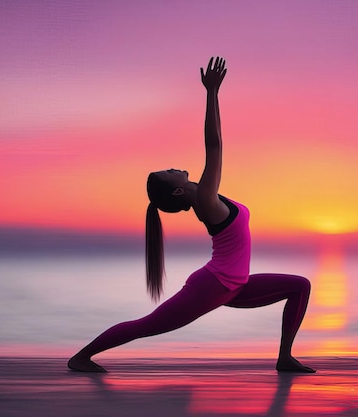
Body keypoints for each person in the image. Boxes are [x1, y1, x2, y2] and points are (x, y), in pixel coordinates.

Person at [68, 57, 315, 373]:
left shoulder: (205, 197)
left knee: (300, 286)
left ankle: (284, 358)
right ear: (176, 191)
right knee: (146, 326)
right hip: (213, 286)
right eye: (169, 172)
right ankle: (80, 358)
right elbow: (215, 146)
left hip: (235, 285)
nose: (173, 167)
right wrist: (212, 93)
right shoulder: (207, 200)